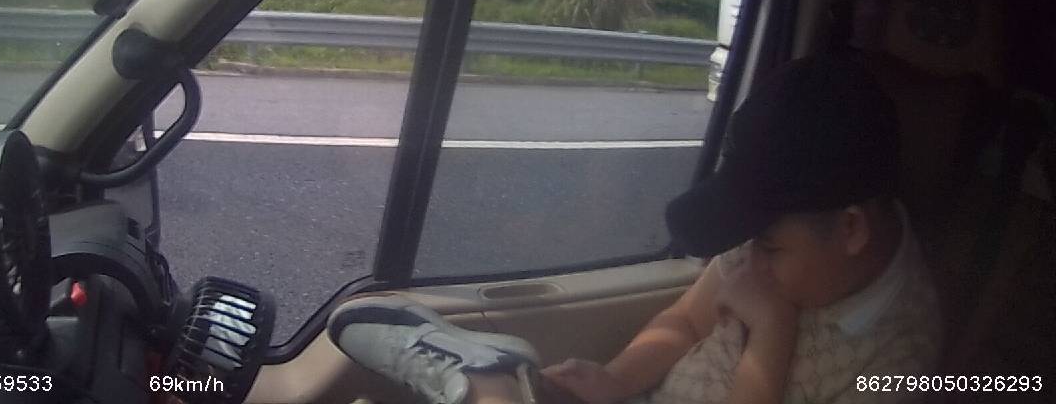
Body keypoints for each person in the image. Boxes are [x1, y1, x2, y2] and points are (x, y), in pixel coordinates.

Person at [328, 53, 943, 404]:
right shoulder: (776, 237)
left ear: (851, 229)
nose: (749, 260)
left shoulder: (900, 362)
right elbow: (686, 322)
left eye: (770, 247)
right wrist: (617, 379)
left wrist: (771, 333)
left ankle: (490, 385)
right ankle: (493, 385)